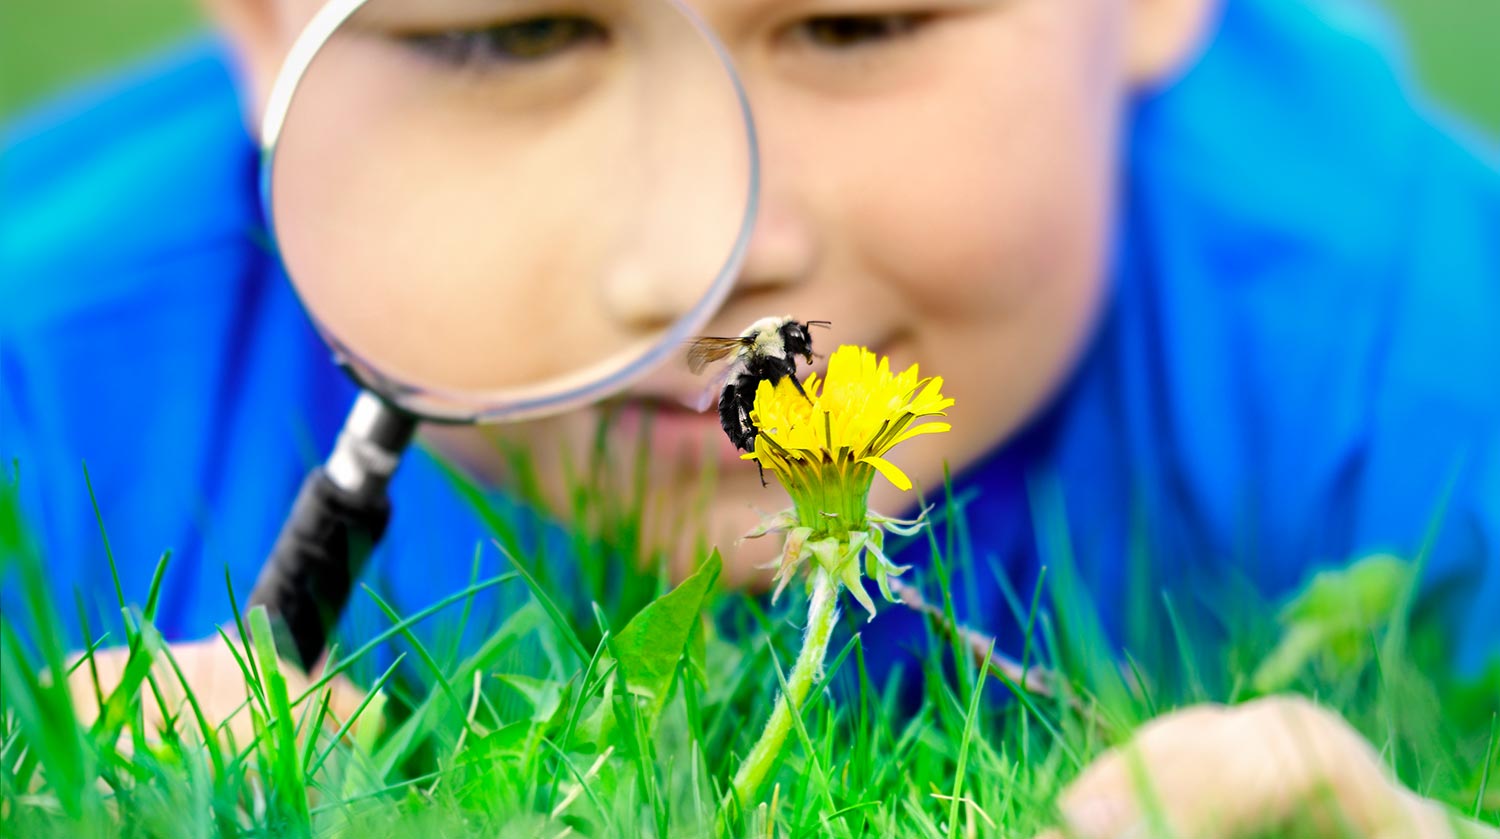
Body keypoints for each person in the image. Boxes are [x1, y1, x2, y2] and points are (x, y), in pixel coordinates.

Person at [3, 0, 1497, 835]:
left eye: (856, 23)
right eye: (514, 40)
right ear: (271, 29)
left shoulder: (1422, 359)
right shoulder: (40, 369)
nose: (688, 268)